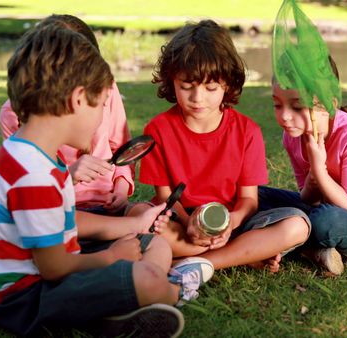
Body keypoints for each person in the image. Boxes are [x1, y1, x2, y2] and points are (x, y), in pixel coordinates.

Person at [0, 24, 212, 337]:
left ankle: (116, 310)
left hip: (53, 272)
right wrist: (110, 257)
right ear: (79, 99)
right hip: (28, 298)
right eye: (100, 105)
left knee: (154, 242)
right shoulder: (33, 175)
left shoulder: (29, 153)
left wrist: (133, 227)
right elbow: (53, 267)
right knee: (148, 280)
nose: (101, 118)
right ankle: (172, 288)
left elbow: (66, 221)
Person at [129, 19, 310, 273]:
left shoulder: (248, 132)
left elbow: (248, 200)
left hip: (233, 222)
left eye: (211, 87)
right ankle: (242, 254)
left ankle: (189, 261)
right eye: (186, 87)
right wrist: (190, 223)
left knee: (297, 225)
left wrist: (230, 224)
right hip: (180, 221)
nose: (197, 98)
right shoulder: (157, 130)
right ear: (171, 82)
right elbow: (164, 196)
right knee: (137, 215)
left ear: (227, 84)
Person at [260, 55, 347, 275]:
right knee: (257, 195)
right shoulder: (292, 137)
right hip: (320, 207)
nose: (285, 117)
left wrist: (319, 170)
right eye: (278, 105)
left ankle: (283, 241)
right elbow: (308, 198)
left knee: (325, 221)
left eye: (297, 107)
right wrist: (313, 179)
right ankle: (308, 247)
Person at [0, 14, 133, 216]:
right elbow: (30, 194)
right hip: (57, 209)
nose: (100, 109)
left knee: (150, 224)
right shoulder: (13, 114)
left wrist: (122, 188)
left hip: (106, 205)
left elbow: (123, 148)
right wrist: (67, 176)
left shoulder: (106, 90)